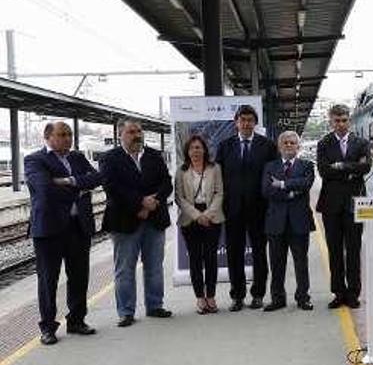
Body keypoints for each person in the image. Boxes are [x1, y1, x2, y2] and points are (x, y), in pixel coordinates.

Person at [24, 122, 103, 345]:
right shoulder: (35, 160)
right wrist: (80, 189)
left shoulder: (77, 157)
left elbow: (97, 178)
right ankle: (48, 328)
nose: (68, 138)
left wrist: (69, 181)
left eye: (69, 134)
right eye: (62, 134)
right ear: (48, 137)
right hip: (49, 229)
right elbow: (45, 190)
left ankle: (77, 321)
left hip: (78, 226)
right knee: (48, 280)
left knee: (79, 277)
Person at [101, 119, 173, 327]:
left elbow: (166, 182)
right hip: (124, 221)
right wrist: (140, 202)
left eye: (139, 131)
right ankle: (126, 312)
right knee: (124, 268)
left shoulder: (153, 155)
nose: (137, 135)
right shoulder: (110, 158)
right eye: (132, 131)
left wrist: (153, 202)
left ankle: (155, 305)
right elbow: (112, 187)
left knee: (154, 266)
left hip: (154, 219)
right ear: (120, 134)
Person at [214, 105, 278, 311]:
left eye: (250, 120)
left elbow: (273, 175)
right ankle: (237, 296)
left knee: (259, 252)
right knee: (234, 253)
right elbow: (218, 177)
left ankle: (258, 294)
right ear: (236, 123)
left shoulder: (267, 146)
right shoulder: (225, 146)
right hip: (232, 209)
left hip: (259, 209)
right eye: (242, 120)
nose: (246, 123)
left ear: (255, 123)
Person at [316, 104, 371, 309]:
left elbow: (366, 167)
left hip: (355, 204)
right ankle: (338, 292)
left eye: (344, 120)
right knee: (335, 250)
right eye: (336, 120)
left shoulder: (361, 143)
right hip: (331, 205)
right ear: (331, 121)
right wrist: (351, 170)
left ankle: (353, 293)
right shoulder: (323, 143)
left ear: (350, 120)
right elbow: (323, 171)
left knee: (354, 249)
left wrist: (340, 166)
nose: (340, 124)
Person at [262, 131, 315, 312]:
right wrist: (292, 193)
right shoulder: (269, 166)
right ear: (279, 146)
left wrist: (283, 185)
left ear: (298, 147)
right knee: (276, 263)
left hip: (299, 222)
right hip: (275, 223)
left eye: (293, 143)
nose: (289, 145)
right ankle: (277, 299)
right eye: (285, 143)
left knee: (301, 262)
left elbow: (306, 183)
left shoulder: (307, 165)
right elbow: (266, 190)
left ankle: (303, 298)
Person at [174, 134, 224, 315]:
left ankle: (211, 296)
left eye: (198, 147)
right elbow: (179, 198)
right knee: (195, 260)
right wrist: (197, 216)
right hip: (190, 219)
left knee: (211, 258)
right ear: (187, 151)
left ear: (204, 149)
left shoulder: (214, 168)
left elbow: (219, 193)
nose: (195, 151)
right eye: (192, 148)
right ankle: (200, 298)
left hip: (213, 217)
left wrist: (208, 214)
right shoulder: (181, 171)